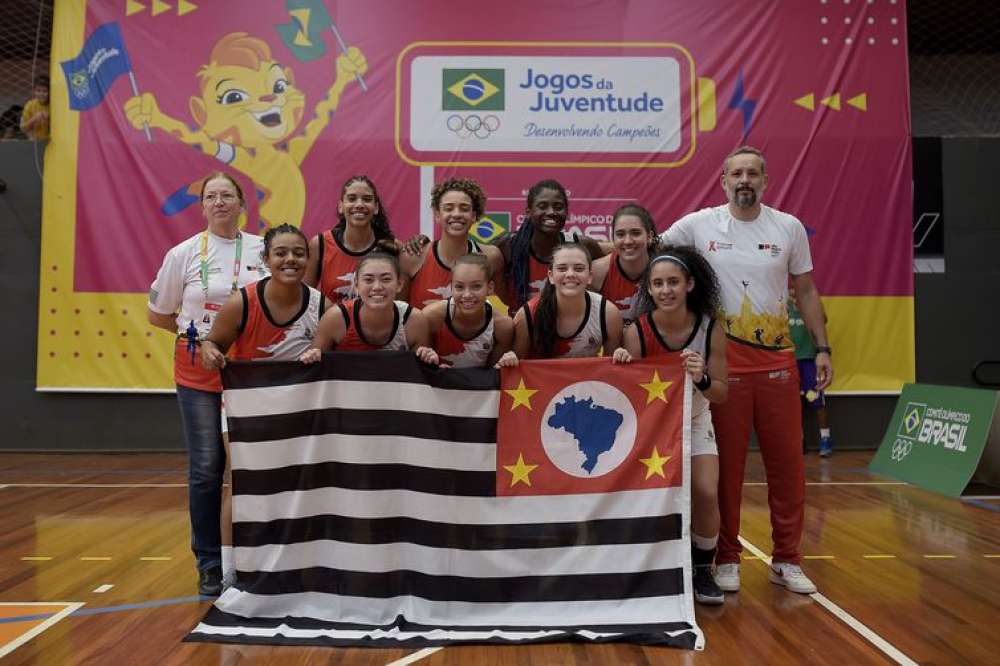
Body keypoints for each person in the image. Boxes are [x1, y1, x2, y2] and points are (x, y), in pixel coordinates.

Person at [661, 145, 833, 595]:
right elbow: (648, 250)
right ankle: (726, 557)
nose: (744, 180)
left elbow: (808, 290)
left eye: (753, 173)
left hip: (778, 363)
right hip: (723, 365)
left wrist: (822, 347)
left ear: (765, 180)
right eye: (736, 173)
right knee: (727, 469)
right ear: (723, 180)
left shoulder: (788, 228)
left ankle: (787, 559)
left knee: (788, 466)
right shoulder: (698, 226)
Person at [147, 172, 266, 596]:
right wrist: (200, 340)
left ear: (241, 203)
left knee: (253, 469)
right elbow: (160, 314)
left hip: (251, 375)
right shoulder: (182, 253)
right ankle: (210, 563)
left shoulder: (262, 250)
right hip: (199, 374)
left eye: (227, 195)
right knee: (205, 470)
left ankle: (253, 558)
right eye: (210, 196)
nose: (219, 202)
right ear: (202, 206)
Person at [200, 224, 329, 589]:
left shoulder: (321, 304)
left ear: (308, 259)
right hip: (248, 406)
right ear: (267, 259)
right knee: (239, 483)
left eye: (299, 253)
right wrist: (210, 353)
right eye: (282, 253)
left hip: (299, 408)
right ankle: (228, 571)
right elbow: (214, 344)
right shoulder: (243, 301)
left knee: (300, 483)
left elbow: (336, 349)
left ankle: (296, 563)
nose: (291, 259)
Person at [611, 247, 728, 605]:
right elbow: (627, 394)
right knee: (646, 499)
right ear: (649, 288)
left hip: (694, 419)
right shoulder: (638, 332)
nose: (666, 290)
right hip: (651, 428)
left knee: (706, 492)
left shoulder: (710, 329)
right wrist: (621, 362)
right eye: (658, 283)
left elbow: (721, 393)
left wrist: (703, 377)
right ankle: (650, 568)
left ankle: (702, 569)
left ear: (689, 284)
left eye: (673, 282)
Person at [497, 243, 622, 364]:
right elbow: (516, 370)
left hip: (586, 384)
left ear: (589, 277)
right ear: (550, 276)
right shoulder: (527, 315)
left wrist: (620, 356)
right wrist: (510, 359)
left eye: (579, 269)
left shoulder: (608, 313)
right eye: (562, 268)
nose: (570, 274)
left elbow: (610, 371)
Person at [500, 179, 608, 312]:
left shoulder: (583, 245)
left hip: (570, 328)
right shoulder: (509, 246)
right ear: (528, 212)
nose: (551, 212)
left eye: (558, 207)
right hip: (523, 329)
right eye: (542, 206)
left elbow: (612, 271)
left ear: (566, 212)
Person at [302, 252, 430, 360]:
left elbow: (422, 377)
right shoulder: (336, 318)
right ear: (356, 285)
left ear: (399, 284)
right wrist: (312, 357)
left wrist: (428, 358)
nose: (377, 287)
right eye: (368, 280)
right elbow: (314, 372)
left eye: (386, 279)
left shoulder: (414, 321)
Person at [403, 178, 504, 307]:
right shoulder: (413, 257)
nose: (456, 214)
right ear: (437, 215)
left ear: (474, 215)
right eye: (449, 208)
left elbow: (508, 306)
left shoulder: (491, 257)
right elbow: (398, 315)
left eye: (464, 208)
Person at [305, 175, 398, 304]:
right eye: (352, 199)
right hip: (332, 323)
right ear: (341, 206)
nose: (359, 204)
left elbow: (400, 303)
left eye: (366, 199)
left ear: (376, 207)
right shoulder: (320, 244)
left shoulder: (392, 246)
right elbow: (304, 297)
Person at [414, 254, 514, 368]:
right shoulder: (431, 316)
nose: (467, 295)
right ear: (451, 287)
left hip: (477, 385)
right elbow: (419, 367)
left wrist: (506, 363)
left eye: (476, 286)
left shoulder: (502, 327)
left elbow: (494, 374)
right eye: (459, 287)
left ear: (490, 288)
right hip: (437, 383)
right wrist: (431, 364)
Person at [591, 203, 659, 322]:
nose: (627, 241)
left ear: (649, 236)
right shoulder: (597, 272)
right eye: (620, 234)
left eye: (636, 233)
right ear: (613, 238)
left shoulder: (664, 269)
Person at [788, 283, 834, 457]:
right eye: (789, 289)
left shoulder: (809, 305)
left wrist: (803, 305)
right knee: (792, 403)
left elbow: (823, 319)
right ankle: (798, 440)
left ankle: (825, 438)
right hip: (789, 361)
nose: (792, 292)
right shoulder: (781, 306)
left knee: (815, 399)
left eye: (795, 288)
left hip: (809, 361)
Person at [20, 75, 49, 141]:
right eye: (38, 91)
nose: (41, 94)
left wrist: (49, 118)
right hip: (35, 141)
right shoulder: (30, 105)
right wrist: (34, 119)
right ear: (34, 91)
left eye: (45, 91)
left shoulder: (54, 105)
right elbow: (23, 128)